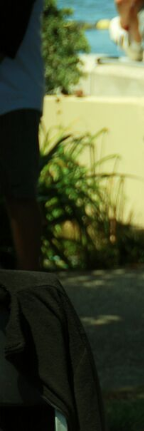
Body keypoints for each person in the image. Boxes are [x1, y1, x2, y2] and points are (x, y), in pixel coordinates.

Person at [0, 0, 44, 271]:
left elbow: (5, 39)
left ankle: (31, 296)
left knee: (20, 197)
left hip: (14, 101)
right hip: (16, 98)